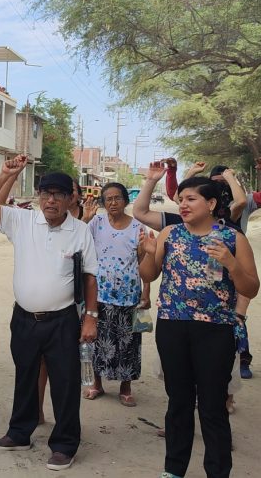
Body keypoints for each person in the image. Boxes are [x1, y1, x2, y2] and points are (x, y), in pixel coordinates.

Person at [0, 157, 98, 472]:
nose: (51, 200)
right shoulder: (23, 220)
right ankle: (19, 433)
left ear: (71, 198)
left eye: (58, 194)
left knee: (65, 383)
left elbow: (89, 277)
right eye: (46, 193)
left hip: (62, 320)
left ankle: (64, 444)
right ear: (38, 196)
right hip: (25, 318)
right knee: (25, 376)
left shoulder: (80, 231)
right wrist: (6, 174)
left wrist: (91, 317)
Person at [139, 176, 259, 478]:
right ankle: (173, 469)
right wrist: (148, 252)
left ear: (211, 204)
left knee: (212, 405)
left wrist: (231, 263)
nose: (183, 204)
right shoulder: (170, 233)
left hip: (215, 330)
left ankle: (217, 471)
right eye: (181, 199)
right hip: (173, 326)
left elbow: (252, 287)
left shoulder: (232, 239)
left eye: (191, 199)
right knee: (177, 402)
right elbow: (150, 275)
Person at [83, 182, 148, 407]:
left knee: (128, 342)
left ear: (125, 200)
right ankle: (97, 384)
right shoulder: (96, 223)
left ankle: (125, 386)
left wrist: (145, 294)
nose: (112, 203)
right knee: (98, 341)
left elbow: (143, 262)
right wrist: (84, 219)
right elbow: (80, 242)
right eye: (108, 199)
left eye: (117, 198)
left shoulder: (138, 227)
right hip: (99, 295)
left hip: (129, 296)